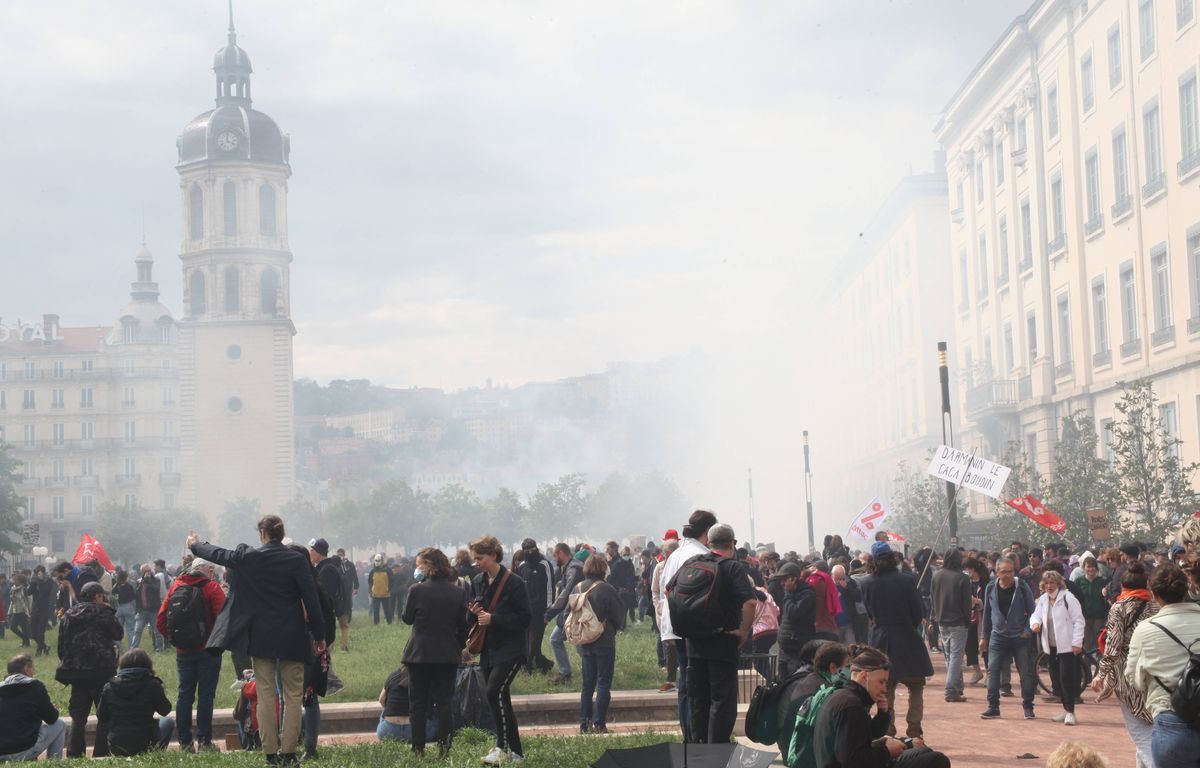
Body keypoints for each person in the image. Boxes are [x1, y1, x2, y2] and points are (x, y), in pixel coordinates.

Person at [187, 515, 326, 766]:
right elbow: (311, 598)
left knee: (265, 694)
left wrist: (195, 545)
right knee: (293, 695)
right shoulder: (296, 559)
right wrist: (319, 635)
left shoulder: (249, 558)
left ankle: (270, 754)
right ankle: (289, 753)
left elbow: (219, 554)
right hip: (293, 634)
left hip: (261, 635)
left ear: (262, 533)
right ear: (282, 533)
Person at [811, 647, 951, 768]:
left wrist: (892, 735)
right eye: (881, 682)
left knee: (922, 751)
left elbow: (860, 741)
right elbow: (851, 762)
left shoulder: (846, 697)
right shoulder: (851, 706)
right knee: (938, 760)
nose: (884, 689)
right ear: (864, 676)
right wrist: (886, 751)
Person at [681, 523, 756, 744]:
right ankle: (717, 750)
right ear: (732, 543)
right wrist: (743, 631)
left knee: (698, 699)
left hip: (694, 643)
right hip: (723, 641)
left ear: (708, 543)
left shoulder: (692, 563)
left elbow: (668, 591)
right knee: (721, 700)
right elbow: (750, 603)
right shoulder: (733, 567)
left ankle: (698, 748)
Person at [1126, 563, 1200, 768]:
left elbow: (1134, 679)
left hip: (1171, 720)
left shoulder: (1145, 630)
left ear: (1154, 594)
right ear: (1187, 588)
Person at [467, 535, 532, 765]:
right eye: (475, 558)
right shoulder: (477, 581)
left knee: (493, 692)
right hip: (488, 649)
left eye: (480, 558)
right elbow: (473, 618)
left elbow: (525, 619)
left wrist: (494, 619)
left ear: (493, 555)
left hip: (511, 649)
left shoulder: (514, 582)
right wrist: (474, 613)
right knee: (501, 699)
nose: (477, 562)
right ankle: (516, 753)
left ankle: (501, 748)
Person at [401, 547, 468, 758]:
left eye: (420, 564)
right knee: (445, 703)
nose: (417, 568)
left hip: (419, 654)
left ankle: (418, 749)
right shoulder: (458, 592)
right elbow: (462, 625)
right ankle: (444, 749)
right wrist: (456, 645)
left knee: (418, 704)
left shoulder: (416, 590)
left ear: (429, 566)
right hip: (447, 654)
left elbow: (407, 618)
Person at [862, 542, 933, 738]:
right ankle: (914, 728)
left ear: (872, 560)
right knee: (916, 687)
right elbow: (917, 614)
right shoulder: (906, 580)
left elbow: (869, 613)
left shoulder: (866, 583)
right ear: (893, 558)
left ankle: (888, 728)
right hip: (907, 638)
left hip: (881, 641)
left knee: (886, 688)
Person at [659, 510, 719, 740]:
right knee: (693, 686)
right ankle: (694, 734)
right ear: (707, 532)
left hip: (676, 626)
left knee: (686, 684)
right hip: (691, 628)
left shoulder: (678, 554)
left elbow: (666, 588)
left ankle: (689, 732)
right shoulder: (699, 555)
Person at [1092, 560, 1158, 768]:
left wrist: (1101, 674)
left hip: (1127, 674)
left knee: (1140, 734)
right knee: (1149, 731)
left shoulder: (1119, 608)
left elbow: (1112, 646)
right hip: (1153, 673)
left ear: (1123, 586)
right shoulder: (1155, 606)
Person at [155, 557, 225, 752]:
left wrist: (176, 640)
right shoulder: (212, 588)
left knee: (184, 695)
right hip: (208, 651)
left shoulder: (176, 585)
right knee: (205, 696)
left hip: (183, 652)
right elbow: (224, 619)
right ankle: (204, 741)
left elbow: (161, 620)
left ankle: (185, 742)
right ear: (208, 570)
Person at [55, 581, 123, 758]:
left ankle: (74, 753)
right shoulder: (103, 612)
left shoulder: (69, 614)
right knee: (104, 715)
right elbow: (118, 634)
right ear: (98, 596)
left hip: (77, 674)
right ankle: (101, 752)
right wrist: (109, 612)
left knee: (78, 717)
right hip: (102, 672)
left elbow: (61, 647)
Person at [571, 553, 626, 733]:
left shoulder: (577, 588)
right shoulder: (607, 589)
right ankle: (599, 723)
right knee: (603, 683)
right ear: (603, 569)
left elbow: (568, 614)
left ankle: (583, 723)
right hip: (604, 641)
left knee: (587, 684)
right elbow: (619, 617)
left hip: (584, 641)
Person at [979, 556, 1039, 720]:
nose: (1007, 575)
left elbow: (1032, 610)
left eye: (1010, 571)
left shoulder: (1022, 586)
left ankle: (1028, 706)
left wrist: (1027, 630)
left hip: (1020, 636)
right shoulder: (991, 587)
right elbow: (987, 613)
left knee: (1025, 673)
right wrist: (984, 636)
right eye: (1003, 572)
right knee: (993, 671)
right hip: (998, 636)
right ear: (997, 572)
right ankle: (993, 707)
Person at [1030, 570, 1085, 725]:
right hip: (1050, 647)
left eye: (1052, 583)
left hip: (1067, 647)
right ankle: (1065, 709)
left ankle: (1070, 712)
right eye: (1046, 583)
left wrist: (1077, 642)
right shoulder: (1043, 600)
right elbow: (1036, 615)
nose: (1049, 586)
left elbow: (1079, 621)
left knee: (1066, 678)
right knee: (1056, 680)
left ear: (1058, 583)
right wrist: (1035, 623)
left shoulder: (1068, 598)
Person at [96, 648, 175, 756]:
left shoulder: (109, 687)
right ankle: (155, 753)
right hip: (147, 741)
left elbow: (102, 717)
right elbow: (165, 711)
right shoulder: (152, 684)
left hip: (117, 745)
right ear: (147, 664)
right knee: (167, 721)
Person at [0, 653, 67, 762]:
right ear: (26, 669)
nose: (34, 672)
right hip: (21, 751)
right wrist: (51, 709)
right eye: (32, 668)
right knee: (60, 724)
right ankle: (54, 763)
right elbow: (52, 718)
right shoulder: (35, 686)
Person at [930, 547, 972, 703]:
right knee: (955, 656)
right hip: (958, 621)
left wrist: (934, 616)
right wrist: (967, 621)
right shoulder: (963, 578)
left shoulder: (937, 576)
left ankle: (957, 687)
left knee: (950, 656)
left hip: (942, 621)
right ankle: (950, 689)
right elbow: (966, 603)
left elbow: (933, 597)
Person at [544, 545, 586, 684]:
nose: (555, 559)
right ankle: (566, 672)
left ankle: (590, 671)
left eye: (555, 556)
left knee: (580, 645)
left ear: (561, 553)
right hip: (570, 611)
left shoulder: (574, 569)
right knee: (558, 640)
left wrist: (550, 613)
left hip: (574, 612)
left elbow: (566, 593)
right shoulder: (570, 567)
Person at [515, 539, 555, 675]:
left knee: (535, 639)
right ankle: (544, 664)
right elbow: (519, 589)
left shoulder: (545, 565)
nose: (530, 553)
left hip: (540, 610)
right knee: (526, 640)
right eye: (527, 551)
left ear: (536, 549)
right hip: (525, 609)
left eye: (532, 550)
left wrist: (549, 610)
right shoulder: (522, 567)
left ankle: (528, 667)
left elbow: (550, 587)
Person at [772, 561, 817, 678]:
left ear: (793, 579)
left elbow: (792, 613)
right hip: (784, 649)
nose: (782, 583)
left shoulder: (807, 594)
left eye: (784, 579)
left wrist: (787, 593)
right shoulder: (791, 594)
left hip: (797, 648)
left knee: (794, 681)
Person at [651, 536, 680, 692]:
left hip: (679, 609)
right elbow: (655, 590)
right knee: (668, 644)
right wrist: (658, 606)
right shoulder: (659, 567)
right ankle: (671, 678)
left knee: (680, 642)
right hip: (663, 610)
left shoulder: (682, 565)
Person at [1074, 556, 1109, 651]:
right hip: (1084, 617)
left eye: (1093, 566)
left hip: (1099, 617)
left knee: (1100, 642)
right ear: (1084, 568)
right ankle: (1087, 665)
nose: (1091, 569)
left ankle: (1101, 664)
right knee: (1086, 645)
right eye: (1088, 566)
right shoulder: (1079, 581)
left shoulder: (1103, 581)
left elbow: (1107, 599)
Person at [131, 564, 163, 652]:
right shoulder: (139, 581)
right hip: (142, 611)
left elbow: (156, 589)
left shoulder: (156, 580)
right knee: (137, 631)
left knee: (157, 631)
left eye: (149, 571)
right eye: (145, 571)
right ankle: (133, 650)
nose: (148, 573)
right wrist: (142, 582)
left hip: (153, 610)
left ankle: (159, 649)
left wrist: (148, 581)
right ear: (142, 572)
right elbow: (136, 594)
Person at [334, 548, 359, 652]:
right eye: (338, 554)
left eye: (341, 554)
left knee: (345, 619)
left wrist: (356, 586)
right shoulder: (334, 566)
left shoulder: (350, 565)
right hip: (336, 596)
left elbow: (354, 576)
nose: (340, 556)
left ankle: (343, 646)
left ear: (344, 554)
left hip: (347, 592)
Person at [27, 567, 53, 657]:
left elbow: (44, 591)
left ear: (44, 573)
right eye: (37, 573)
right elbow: (28, 592)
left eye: (40, 573)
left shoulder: (49, 581)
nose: (39, 575)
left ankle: (39, 651)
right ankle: (45, 647)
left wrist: (39, 582)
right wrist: (33, 583)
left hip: (44, 610)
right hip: (35, 609)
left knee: (40, 632)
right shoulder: (34, 581)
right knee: (33, 634)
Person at [7, 574, 31, 649]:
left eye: (15, 580)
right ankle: (25, 639)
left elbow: (28, 600)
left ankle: (26, 643)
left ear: (20, 581)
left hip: (23, 611)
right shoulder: (12, 589)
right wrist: (9, 612)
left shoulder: (24, 589)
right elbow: (12, 601)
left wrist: (28, 612)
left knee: (24, 628)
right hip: (15, 610)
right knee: (13, 627)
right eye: (13, 580)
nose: (13, 581)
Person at [368, 554, 392, 625]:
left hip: (385, 594)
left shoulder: (387, 570)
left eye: (379, 560)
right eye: (376, 560)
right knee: (376, 610)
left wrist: (389, 588)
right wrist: (370, 590)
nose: (377, 562)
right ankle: (376, 623)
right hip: (375, 594)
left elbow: (392, 580)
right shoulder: (372, 571)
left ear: (382, 561)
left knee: (387, 610)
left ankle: (389, 622)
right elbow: (370, 581)